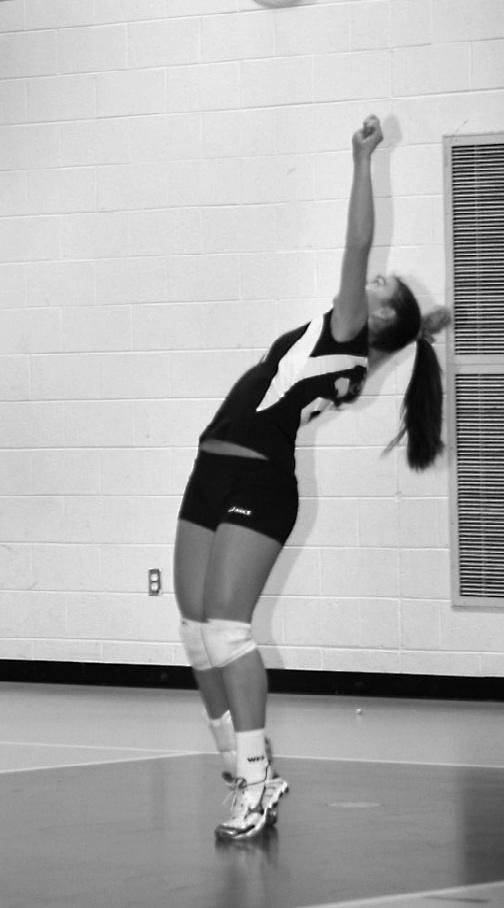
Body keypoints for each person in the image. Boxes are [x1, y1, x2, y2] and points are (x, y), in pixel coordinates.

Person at [173, 115, 451, 842]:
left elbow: (358, 244)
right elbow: (388, 323)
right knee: (196, 634)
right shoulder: (352, 350)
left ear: (374, 314)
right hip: (212, 469)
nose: (369, 279)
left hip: (259, 483)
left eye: (379, 286)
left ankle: (256, 782)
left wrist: (362, 161)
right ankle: (237, 763)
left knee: (227, 632)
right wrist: (423, 327)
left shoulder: (348, 333)